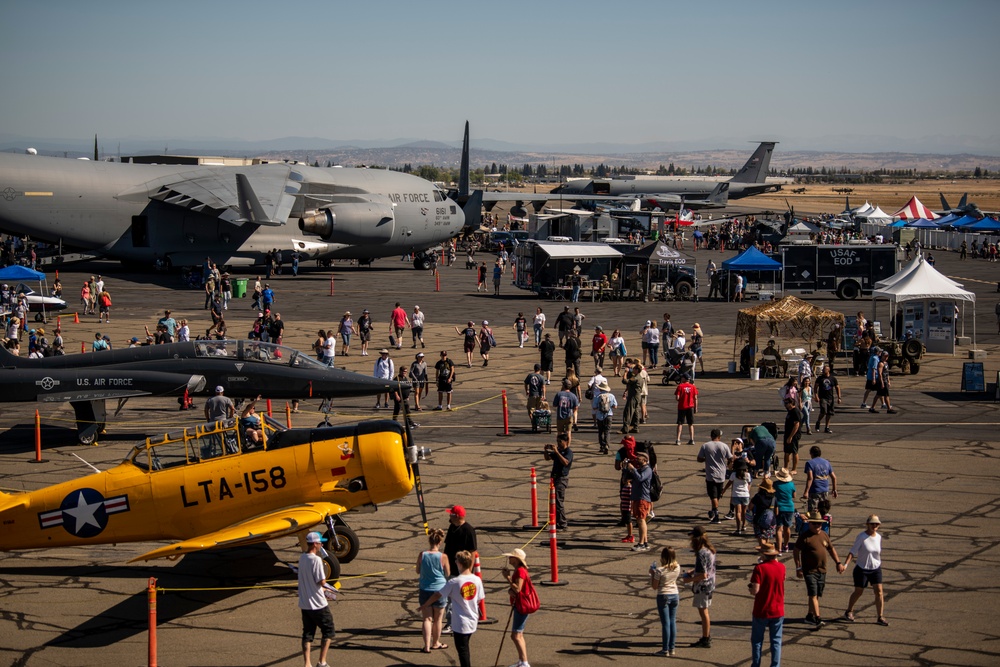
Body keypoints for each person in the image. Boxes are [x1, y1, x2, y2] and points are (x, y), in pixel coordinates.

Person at [419, 550, 483, 667]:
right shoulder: (477, 580)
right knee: (465, 647)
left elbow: (438, 594)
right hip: (472, 619)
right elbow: (479, 598)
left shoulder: (454, 582)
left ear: (459, 564)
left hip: (460, 622)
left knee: (462, 650)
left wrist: (425, 604)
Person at [793, 510, 843, 627]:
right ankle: (818, 618)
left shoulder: (824, 535)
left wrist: (838, 563)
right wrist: (798, 567)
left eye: (819, 524)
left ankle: (810, 615)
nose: (817, 526)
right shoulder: (805, 537)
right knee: (813, 594)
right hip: (809, 571)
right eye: (814, 523)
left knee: (816, 594)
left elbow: (831, 549)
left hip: (822, 570)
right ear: (809, 524)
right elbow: (796, 551)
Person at [843, 514, 889, 627]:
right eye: (872, 524)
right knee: (859, 591)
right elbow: (852, 552)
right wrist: (845, 565)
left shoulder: (878, 537)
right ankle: (849, 610)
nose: (874, 526)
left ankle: (880, 616)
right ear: (867, 524)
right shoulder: (861, 537)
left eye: (876, 524)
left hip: (875, 568)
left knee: (879, 592)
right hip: (862, 569)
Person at [298, 531, 335, 667]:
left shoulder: (302, 558)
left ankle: (307, 663)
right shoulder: (317, 560)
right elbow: (321, 581)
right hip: (318, 604)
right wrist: (327, 589)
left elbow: (309, 580)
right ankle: (322, 662)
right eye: (320, 543)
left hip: (305, 603)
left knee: (308, 633)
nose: (321, 545)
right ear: (314, 544)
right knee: (328, 630)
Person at [748, 544, 785, 667]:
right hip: (778, 609)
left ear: (764, 555)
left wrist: (751, 589)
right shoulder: (782, 567)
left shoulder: (759, 568)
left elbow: (755, 590)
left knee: (757, 641)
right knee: (776, 641)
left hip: (762, 609)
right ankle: (775, 665)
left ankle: (756, 664)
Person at [681, 526, 716, 648]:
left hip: (703, 587)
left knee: (703, 612)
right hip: (710, 585)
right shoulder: (709, 550)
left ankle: (706, 638)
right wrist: (693, 571)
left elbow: (703, 575)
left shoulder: (701, 552)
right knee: (704, 611)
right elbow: (707, 569)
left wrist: (689, 580)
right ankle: (706, 636)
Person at [416, 528, 450, 653]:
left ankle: (426, 646)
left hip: (425, 589)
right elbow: (448, 573)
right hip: (440, 589)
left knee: (426, 619)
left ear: (430, 541)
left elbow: (418, 570)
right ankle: (436, 642)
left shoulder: (422, 555)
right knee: (438, 619)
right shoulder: (443, 557)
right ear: (440, 542)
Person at [501, 548, 533, 667]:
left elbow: (518, 589)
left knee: (516, 635)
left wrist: (508, 578)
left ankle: (524, 662)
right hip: (520, 604)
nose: (509, 558)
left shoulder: (520, 571)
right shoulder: (520, 570)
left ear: (516, 559)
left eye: (511, 557)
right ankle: (522, 660)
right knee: (518, 635)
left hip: (521, 605)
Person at [650, 545, 681, 657]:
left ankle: (665, 649)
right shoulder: (677, 567)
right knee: (672, 621)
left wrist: (652, 574)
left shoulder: (659, 570)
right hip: (675, 594)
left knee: (665, 623)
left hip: (663, 595)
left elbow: (654, 586)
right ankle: (672, 647)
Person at [697, 429, 732, 523]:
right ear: (719, 437)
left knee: (713, 496)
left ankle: (716, 514)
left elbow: (699, 458)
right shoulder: (724, 446)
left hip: (711, 475)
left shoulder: (705, 446)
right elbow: (730, 458)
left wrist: (707, 459)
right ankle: (713, 510)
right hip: (721, 475)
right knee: (717, 495)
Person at [622, 452, 653, 551]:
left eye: (639, 457)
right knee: (640, 520)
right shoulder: (640, 469)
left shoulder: (647, 469)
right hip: (637, 498)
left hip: (642, 498)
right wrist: (626, 467)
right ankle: (645, 542)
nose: (637, 458)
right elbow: (627, 479)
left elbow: (640, 478)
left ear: (645, 459)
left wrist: (633, 469)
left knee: (641, 520)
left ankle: (641, 544)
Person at [544, 433, 573, 530]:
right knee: (554, 502)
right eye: (557, 442)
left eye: (560, 441)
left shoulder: (568, 452)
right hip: (555, 478)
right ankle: (556, 522)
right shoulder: (559, 451)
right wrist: (545, 450)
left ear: (565, 441)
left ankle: (563, 523)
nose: (558, 443)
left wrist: (557, 452)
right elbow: (547, 458)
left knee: (559, 502)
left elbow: (565, 462)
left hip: (562, 479)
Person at [443, 506, 477, 580]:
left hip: (461, 569)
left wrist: (469, 570)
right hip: (449, 567)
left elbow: (473, 551)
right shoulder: (452, 527)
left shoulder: (469, 530)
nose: (449, 515)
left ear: (456, 516)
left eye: (451, 514)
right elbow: (447, 546)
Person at [722, 459, 753, 536]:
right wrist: (747, 491)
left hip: (736, 495)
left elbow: (729, 484)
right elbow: (749, 484)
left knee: (738, 512)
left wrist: (723, 491)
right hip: (745, 495)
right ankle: (744, 525)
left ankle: (738, 529)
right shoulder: (747, 475)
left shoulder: (734, 475)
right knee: (744, 511)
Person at [803, 446, 838, 513]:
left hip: (815, 489)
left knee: (813, 511)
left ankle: (814, 523)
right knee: (823, 510)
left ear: (811, 454)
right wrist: (834, 489)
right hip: (825, 489)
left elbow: (810, 478)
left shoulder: (809, 463)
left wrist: (806, 491)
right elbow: (834, 477)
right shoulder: (826, 462)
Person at [750, 478, 778, 552]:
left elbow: (750, 507)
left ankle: (764, 553)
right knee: (767, 537)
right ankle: (768, 551)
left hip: (759, 520)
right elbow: (776, 512)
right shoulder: (774, 498)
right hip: (771, 521)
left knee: (761, 537)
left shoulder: (758, 496)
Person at [773, 468, 796, 553]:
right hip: (789, 507)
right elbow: (794, 495)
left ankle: (779, 548)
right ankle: (786, 545)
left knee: (779, 528)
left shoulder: (775, 484)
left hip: (778, 507)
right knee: (787, 528)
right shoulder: (791, 484)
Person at [592, 379, 617, 454]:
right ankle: (607, 445)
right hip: (608, 415)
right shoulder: (611, 396)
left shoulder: (598, 396)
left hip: (600, 416)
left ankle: (602, 446)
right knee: (607, 431)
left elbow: (594, 407)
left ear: (600, 389)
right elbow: (615, 406)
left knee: (600, 431)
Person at [815, 365, 841, 434]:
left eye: (825, 369)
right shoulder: (820, 378)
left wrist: (839, 397)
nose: (823, 371)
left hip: (830, 397)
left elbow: (837, 387)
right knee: (823, 411)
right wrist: (816, 395)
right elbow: (816, 387)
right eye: (823, 369)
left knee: (829, 413)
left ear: (828, 370)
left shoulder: (833, 378)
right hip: (822, 397)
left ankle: (827, 427)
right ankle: (818, 421)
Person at [552, 378, 580, 444]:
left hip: (560, 415)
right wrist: (575, 421)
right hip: (569, 416)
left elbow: (554, 405)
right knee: (568, 432)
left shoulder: (559, 394)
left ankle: (559, 445)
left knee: (559, 432)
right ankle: (567, 446)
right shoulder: (573, 396)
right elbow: (575, 408)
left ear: (563, 386)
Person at [674, 376, 699, 446]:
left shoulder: (680, 386)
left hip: (682, 407)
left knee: (680, 423)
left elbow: (677, 397)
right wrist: (696, 408)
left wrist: (680, 399)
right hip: (690, 407)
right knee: (690, 424)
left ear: (684, 379)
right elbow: (695, 398)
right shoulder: (693, 387)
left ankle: (678, 439)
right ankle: (692, 439)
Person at [782, 397, 803, 473]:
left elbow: (796, 425)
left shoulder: (795, 411)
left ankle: (794, 469)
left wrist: (790, 437)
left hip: (793, 435)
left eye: (787, 403)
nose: (785, 405)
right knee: (787, 452)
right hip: (787, 434)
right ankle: (785, 468)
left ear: (791, 403)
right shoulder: (790, 411)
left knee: (794, 451)